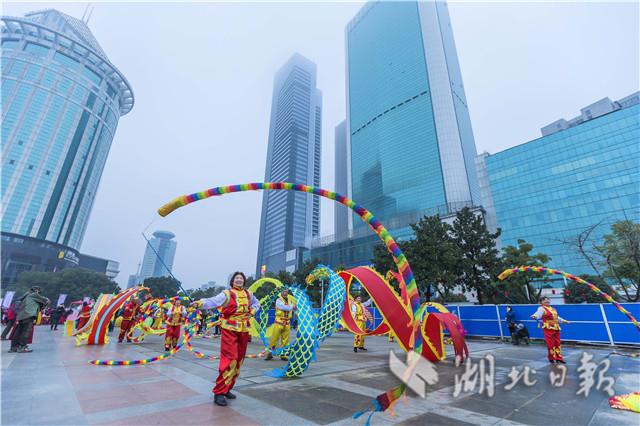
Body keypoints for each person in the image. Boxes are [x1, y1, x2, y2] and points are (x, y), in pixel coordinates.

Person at [194, 272, 260, 407]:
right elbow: (212, 301)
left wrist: (252, 311)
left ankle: (228, 388)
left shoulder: (249, 294)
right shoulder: (226, 294)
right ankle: (219, 392)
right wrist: (200, 303)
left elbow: (257, 304)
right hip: (230, 330)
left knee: (239, 360)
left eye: (241, 278)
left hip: (244, 331)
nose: (239, 280)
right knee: (230, 359)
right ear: (232, 281)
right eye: (237, 278)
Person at [10, 286, 49, 353]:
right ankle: (22, 347)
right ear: (36, 290)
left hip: (21, 316)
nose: (39, 293)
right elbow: (46, 300)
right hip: (28, 315)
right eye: (39, 292)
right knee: (26, 332)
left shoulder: (25, 296)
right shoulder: (33, 294)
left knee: (18, 332)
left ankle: (14, 347)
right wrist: (47, 301)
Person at [531, 297, 569, 364]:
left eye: (548, 300)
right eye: (545, 300)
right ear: (541, 302)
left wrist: (563, 320)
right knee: (550, 343)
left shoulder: (553, 308)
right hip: (548, 328)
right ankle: (552, 357)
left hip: (556, 327)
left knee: (558, 343)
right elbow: (538, 314)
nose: (547, 301)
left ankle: (559, 358)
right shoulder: (541, 308)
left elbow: (557, 317)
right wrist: (535, 316)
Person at [265, 288, 296, 361]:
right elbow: (284, 307)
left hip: (287, 323)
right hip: (279, 322)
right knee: (274, 339)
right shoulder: (278, 300)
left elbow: (294, 309)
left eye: (286, 291)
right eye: (284, 291)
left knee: (285, 340)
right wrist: (292, 306)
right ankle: (270, 353)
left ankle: (283, 354)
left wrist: (295, 307)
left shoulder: (290, 300)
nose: (285, 293)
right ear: (281, 292)